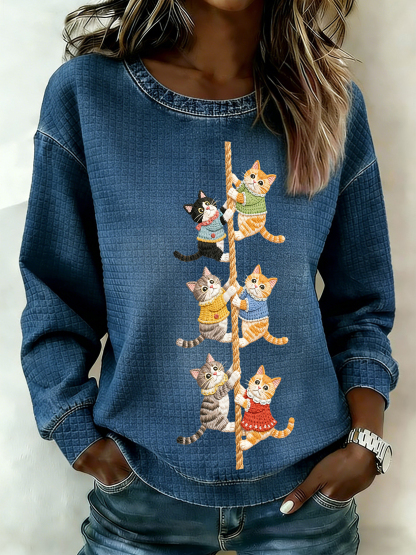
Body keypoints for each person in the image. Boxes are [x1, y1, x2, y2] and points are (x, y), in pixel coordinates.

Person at [18, 0, 399, 553]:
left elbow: (362, 304)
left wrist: (366, 443)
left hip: (308, 494)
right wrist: (77, 433)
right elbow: (55, 292)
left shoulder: (329, 102)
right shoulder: (88, 96)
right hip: (140, 493)